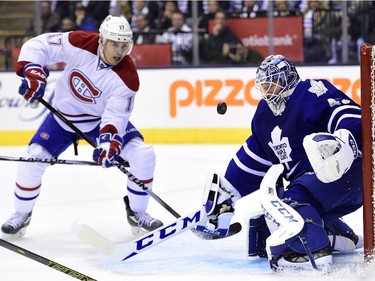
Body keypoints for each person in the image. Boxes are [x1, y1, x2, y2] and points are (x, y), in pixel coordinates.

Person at [1, 15, 163, 238]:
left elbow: (115, 116)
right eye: (114, 43)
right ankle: (21, 214)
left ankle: (137, 212)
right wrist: (33, 70)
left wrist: (109, 144)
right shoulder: (81, 42)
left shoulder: (127, 77)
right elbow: (38, 45)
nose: (119, 51)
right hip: (61, 117)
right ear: (102, 40)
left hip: (96, 122)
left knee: (143, 155)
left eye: (124, 45)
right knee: (33, 158)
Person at [197, 55, 362, 271]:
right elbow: (255, 154)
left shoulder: (310, 92)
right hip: (314, 186)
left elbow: (347, 114)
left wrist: (344, 138)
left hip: (345, 172)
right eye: (264, 85)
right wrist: (227, 192)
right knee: (269, 219)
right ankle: (334, 235)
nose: (268, 89)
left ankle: (312, 250)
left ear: (288, 79)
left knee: (288, 206)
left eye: (273, 82)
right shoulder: (264, 115)